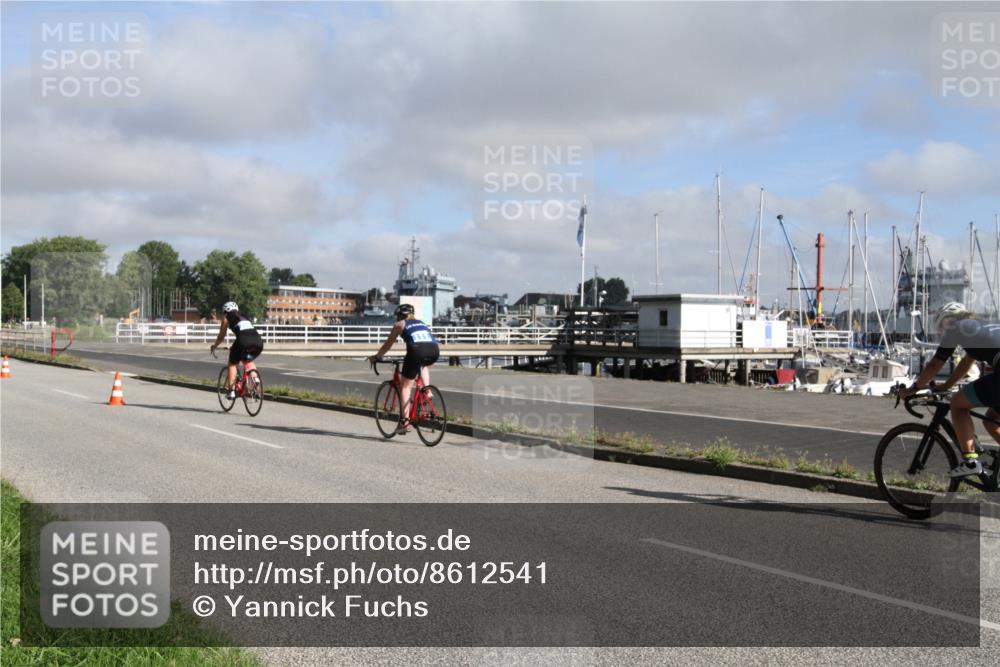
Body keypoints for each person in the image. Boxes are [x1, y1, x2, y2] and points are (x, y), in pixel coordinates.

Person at [900, 302, 1000, 477]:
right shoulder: (978, 326)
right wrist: (946, 385)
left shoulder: (957, 328)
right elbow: (966, 363)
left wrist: (913, 388)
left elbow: (935, 365)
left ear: (948, 320)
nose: (941, 332)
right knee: (991, 420)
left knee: (958, 405)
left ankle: (970, 462)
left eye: (940, 327)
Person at [368, 304, 440, 433]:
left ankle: (404, 422)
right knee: (421, 363)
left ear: (400, 315)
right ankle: (427, 391)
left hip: (417, 352)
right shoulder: (421, 323)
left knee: (406, 386)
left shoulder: (400, 324)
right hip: (434, 350)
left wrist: (377, 357)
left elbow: (387, 345)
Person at [210, 301, 264, 400]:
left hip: (243, 341)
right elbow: (243, 331)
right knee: (248, 360)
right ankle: (255, 380)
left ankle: (231, 392)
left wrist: (214, 346)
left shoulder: (226, 319)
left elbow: (221, 337)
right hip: (258, 341)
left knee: (232, 364)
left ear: (225, 312)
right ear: (237, 310)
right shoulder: (245, 316)